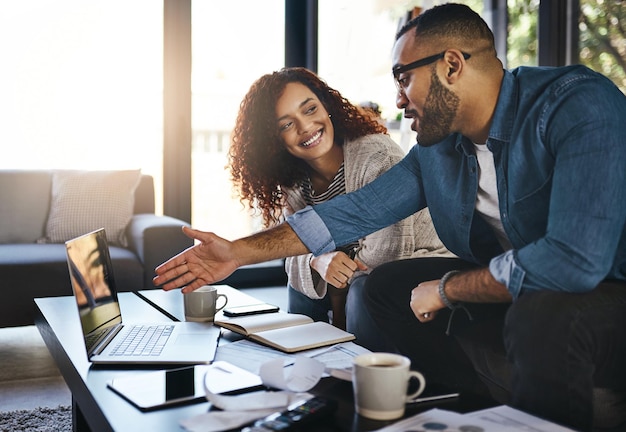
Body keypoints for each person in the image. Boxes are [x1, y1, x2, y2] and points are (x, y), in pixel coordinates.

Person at [154, 4, 626, 430]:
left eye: (403, 77)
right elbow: (353, 212)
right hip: (519, 285)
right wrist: (237, 252)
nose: (397, 99)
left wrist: (447, 289)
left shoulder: (576, 105)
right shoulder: (438, 149)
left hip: (603, 293)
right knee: (378, 290)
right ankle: (454, 413)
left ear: (452, 65)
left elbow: (573, 261)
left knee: (541, 313)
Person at [227, 67, 449, 334]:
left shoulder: (376, 155)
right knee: (301, 280)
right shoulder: (292, 181)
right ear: (274, 140)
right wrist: (317, 261)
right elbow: (290, 252)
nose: (305, 127)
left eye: (310, 109)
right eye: (286, 124)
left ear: (327, 105)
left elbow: (387, 255)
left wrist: (335, 276)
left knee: (359, 287)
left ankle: (346, 354)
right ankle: (305, 356)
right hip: (354, 275)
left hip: (418, 262)